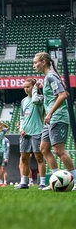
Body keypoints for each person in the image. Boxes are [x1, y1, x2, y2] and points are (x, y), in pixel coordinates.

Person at [33, 52, 76, 190]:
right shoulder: (47, 78)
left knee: (59, 150)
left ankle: (74, 179)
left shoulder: (51, 76)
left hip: (57, 117)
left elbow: (63, 95)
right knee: (44, 149)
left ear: (44, 62)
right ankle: (56, 179)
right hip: (50, 119)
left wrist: (50, 113)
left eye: (36, 63)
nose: (34, 65)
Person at [15, 78, 46, 189]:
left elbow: (35, 100)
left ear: (33, 87)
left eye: (28, 87)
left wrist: (36, 89)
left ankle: (42, 183)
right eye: (24, 87)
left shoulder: (40, 98)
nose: (25, 89)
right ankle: (24, 182)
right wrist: (21, 129)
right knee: (24, 158)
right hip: (25, 133)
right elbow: (22, 117)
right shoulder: (23, 101)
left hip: (37, 132)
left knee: (39, 158)